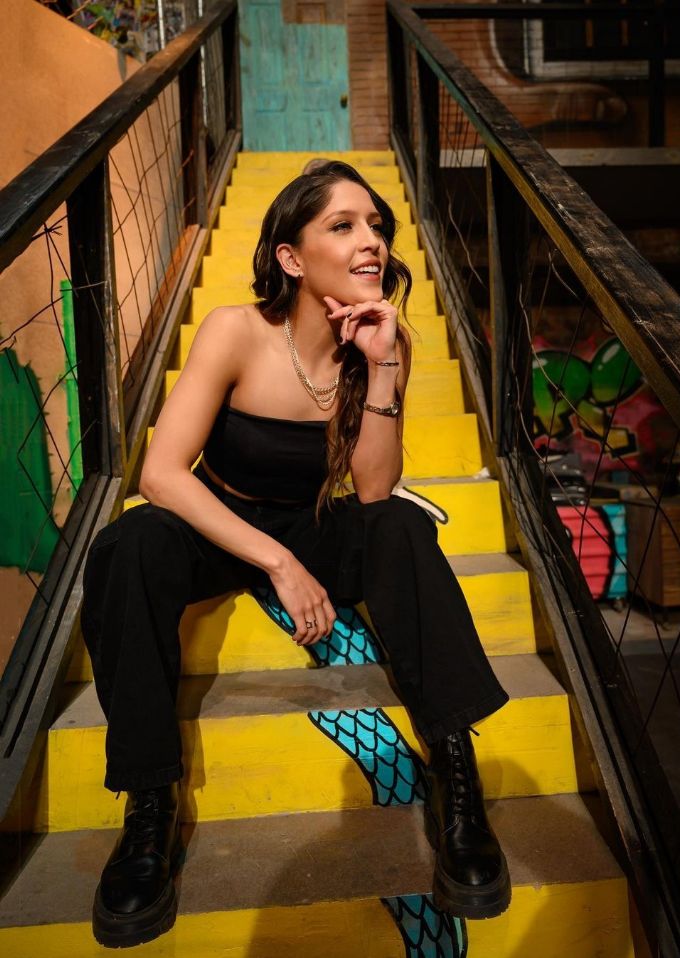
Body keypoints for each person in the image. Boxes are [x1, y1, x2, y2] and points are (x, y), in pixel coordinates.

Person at [80, 160, 512, 948]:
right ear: (291, 256)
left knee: (401, 528)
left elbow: (373, 489)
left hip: (316, 521)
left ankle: (456, 779)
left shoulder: (379, 344)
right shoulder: (235, 331)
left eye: (377, 225)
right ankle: (149, 806)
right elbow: (161, 475)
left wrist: (382, 362)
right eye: (343, 225)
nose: (371, 240)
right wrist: (279, 564)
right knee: (128, 544)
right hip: (220, 520)